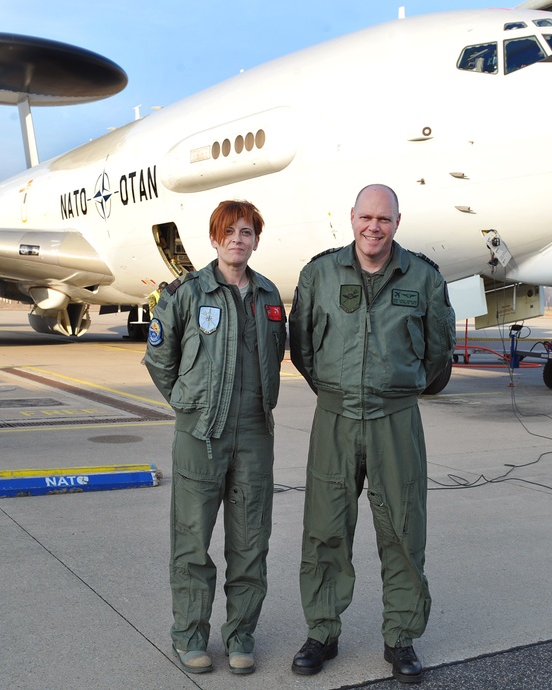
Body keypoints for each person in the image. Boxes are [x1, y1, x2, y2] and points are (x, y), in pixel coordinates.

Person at [288, 184, 456, 683]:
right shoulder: (319, 273)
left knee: (403, 531)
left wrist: (395, 391)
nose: (373, 227)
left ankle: (401, 638)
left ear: (397, 223)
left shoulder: (423, 277)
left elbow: (437, 352)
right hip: (335, 419)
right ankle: (322, 631)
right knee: (324, 529)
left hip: (396, 420)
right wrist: (336, 390)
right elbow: (302, 348)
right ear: (352, 218)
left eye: (384, 219)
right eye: (366, 217)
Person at [144, 200, 286, 676]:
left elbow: (277, 353)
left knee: (250, 541)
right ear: (214, 238)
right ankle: (190, 636)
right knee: (192, 541)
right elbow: (160, 360)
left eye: (246, 232)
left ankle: (242, 634)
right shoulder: (188, 293)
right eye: (228, 232)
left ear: (256, 240)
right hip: (199, 435)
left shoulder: (268, 296)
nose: (237, 240)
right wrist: (191, 405)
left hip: (253, 436)